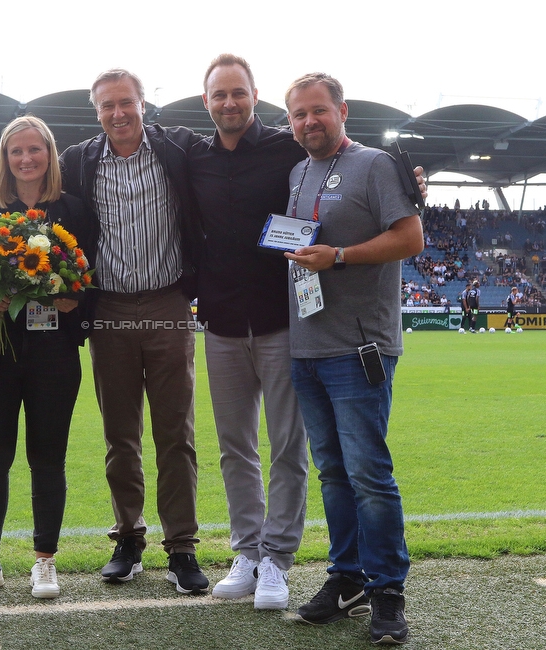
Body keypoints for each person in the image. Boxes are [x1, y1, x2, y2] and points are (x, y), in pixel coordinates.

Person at [282, 72, 422, 645]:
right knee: (333, 473)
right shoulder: (297, 171)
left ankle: (387, 589)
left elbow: (411, 238)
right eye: (298, 115)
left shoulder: (376, 165)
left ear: (342, 110)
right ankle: (345, 577)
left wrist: (337, 256)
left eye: (318, 111)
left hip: (359, 346)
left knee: (368, 474)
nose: (309, 122)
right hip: (307, 346)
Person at [58, 69, 209, 594]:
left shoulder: (179, 149)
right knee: (120, 436)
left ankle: (183, 547)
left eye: (126, 103)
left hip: (168, 302)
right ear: (95, 110)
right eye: (107, 106)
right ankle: (128, 536)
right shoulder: (78, 161)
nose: (117, 113)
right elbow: (20, 177)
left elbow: (248, 151)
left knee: (176, 434)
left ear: (145, 105)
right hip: (110, 310)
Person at [187, 54, 311, 610]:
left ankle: (277, 560)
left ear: (255, 96)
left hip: (283, 320)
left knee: (287, 446)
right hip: (221, 322)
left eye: (238, 94)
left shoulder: (290, 147)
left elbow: (345, 161)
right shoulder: (193, 156)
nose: (229, 103)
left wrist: (412, 179)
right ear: (206, 100)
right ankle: (247, 551)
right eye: (219, 95)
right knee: (236, 447)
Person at [0, 116, 92, 601]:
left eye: (36, 150)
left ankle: (44, 561)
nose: (27, 159)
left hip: (54, 352)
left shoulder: (73, 209)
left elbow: (90, 278)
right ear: (4, 158)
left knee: (48, 457)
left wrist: (74, 299)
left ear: (50, 155)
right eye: (17, 151)